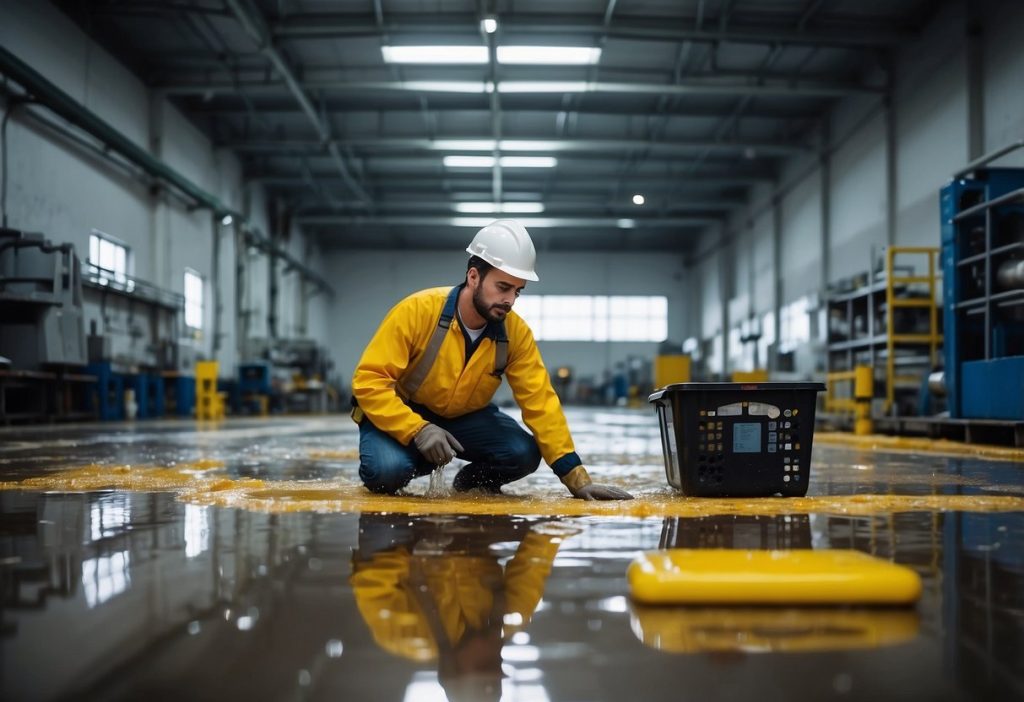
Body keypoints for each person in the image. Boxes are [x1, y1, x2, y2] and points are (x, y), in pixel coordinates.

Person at [351, 220, 632, 500]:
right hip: (401, 411)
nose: (510, 300)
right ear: (473, 277)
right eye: (503, 287)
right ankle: (407, 458)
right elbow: (369, 383)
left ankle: (467, 482)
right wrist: (417, 430)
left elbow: (540, 402)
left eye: (517, 291)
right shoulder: (417, 311)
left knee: (522, 453)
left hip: (462, 419)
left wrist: (576, 478)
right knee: (387, 472)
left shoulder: (515, 334)